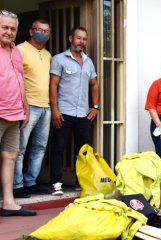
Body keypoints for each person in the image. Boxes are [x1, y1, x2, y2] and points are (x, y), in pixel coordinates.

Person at [49, 26, 100, 195]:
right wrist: (55, 111)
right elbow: (53, 85)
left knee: (83, 151)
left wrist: (95, 107)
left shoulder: (89, 62)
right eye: (78, 38)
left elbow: (94, 84)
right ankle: (56, 183)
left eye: (84, 39)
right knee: (58, 147)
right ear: (71, 39)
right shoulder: (59, 59)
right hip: (63, 112)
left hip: (83, 114)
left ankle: (82, 182)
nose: (81, 42)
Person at [0, 9, 36, 216]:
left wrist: (26, 107)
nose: (9, 32)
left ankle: (8, 203)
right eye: (4, 27)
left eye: (12, 29)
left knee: (10, 156)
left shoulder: (15, 51)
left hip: (16, 113)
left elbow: (20, 80)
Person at [12, 19, 52, 198]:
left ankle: (31, 182)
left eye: (46, 31)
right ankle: (17, 185)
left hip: (46, 107)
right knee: (20, 148)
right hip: (28, 107)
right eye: (39, 30)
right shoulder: (19, 50)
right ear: (30, 31)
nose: (42, 33)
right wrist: (22, 106)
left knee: (39, 147)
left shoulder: (48, 54)